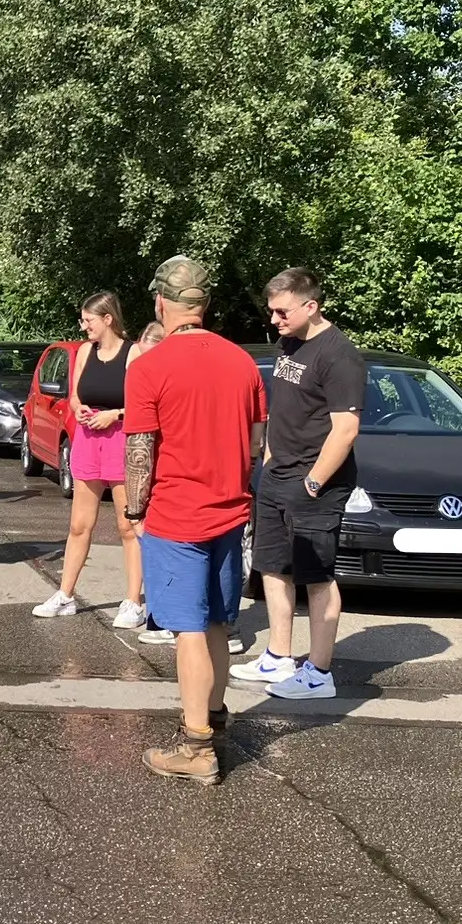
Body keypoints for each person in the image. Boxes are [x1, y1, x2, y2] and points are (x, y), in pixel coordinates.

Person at [122, 256, 267, 785]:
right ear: (205, 305)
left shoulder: (150, 367)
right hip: (231, 512)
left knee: (185, 627)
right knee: (217, 624)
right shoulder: (242, 363)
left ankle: (196, 745)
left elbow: (140, 448)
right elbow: (256, 444)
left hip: (176, 514)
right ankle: (216, 718)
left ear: (161, 302)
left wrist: (135, 512)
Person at [232, 266, 364, 700]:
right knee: (272, 566)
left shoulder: (339, 354)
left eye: (282, 312)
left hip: (314, 485)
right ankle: (278, 656)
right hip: (276, 476)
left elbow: (345, 429)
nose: (274, 320)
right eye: (271, 312)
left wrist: (312, 483)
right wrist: (268, 465)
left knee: (317, 577)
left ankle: (319, 673)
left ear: (312, 306)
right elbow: (283, 412)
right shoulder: (290, 343)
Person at [32, 294, 151, 627]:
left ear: (108, 319)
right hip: (87, 439)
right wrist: (78, 408)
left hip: (122, 440)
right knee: (79, 525)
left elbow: (146, 404)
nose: (84, 327)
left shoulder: (134, 353)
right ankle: (65, 595)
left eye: (89, 320)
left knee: (128, 526)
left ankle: (133, 602)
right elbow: (74, 397)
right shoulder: (85, 351)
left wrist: (115, 414)